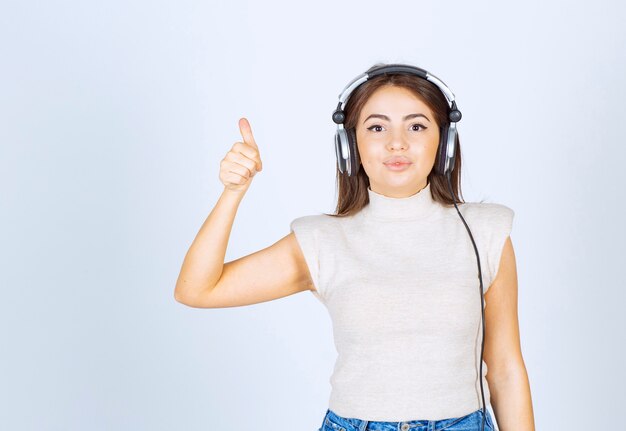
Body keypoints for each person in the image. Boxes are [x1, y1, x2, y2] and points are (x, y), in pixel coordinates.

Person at [174, 63, 535, 431]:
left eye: (416, 126)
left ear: (444, 142)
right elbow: (196, 289)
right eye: (377, 127)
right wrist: (233, 193)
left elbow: (506, 370)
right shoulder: (321, 241)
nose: (397, 142)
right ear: (350, 145)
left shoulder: (486, 231)